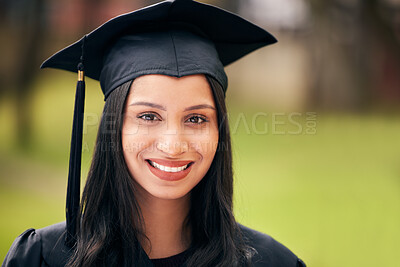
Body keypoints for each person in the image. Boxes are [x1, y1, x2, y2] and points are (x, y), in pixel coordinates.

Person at [2, 0, 306, 266]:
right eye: (148, 116)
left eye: (197, 118)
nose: (173, 145)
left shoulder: (271, 262)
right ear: (114, 127)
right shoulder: (43, 259)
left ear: (220, 131)